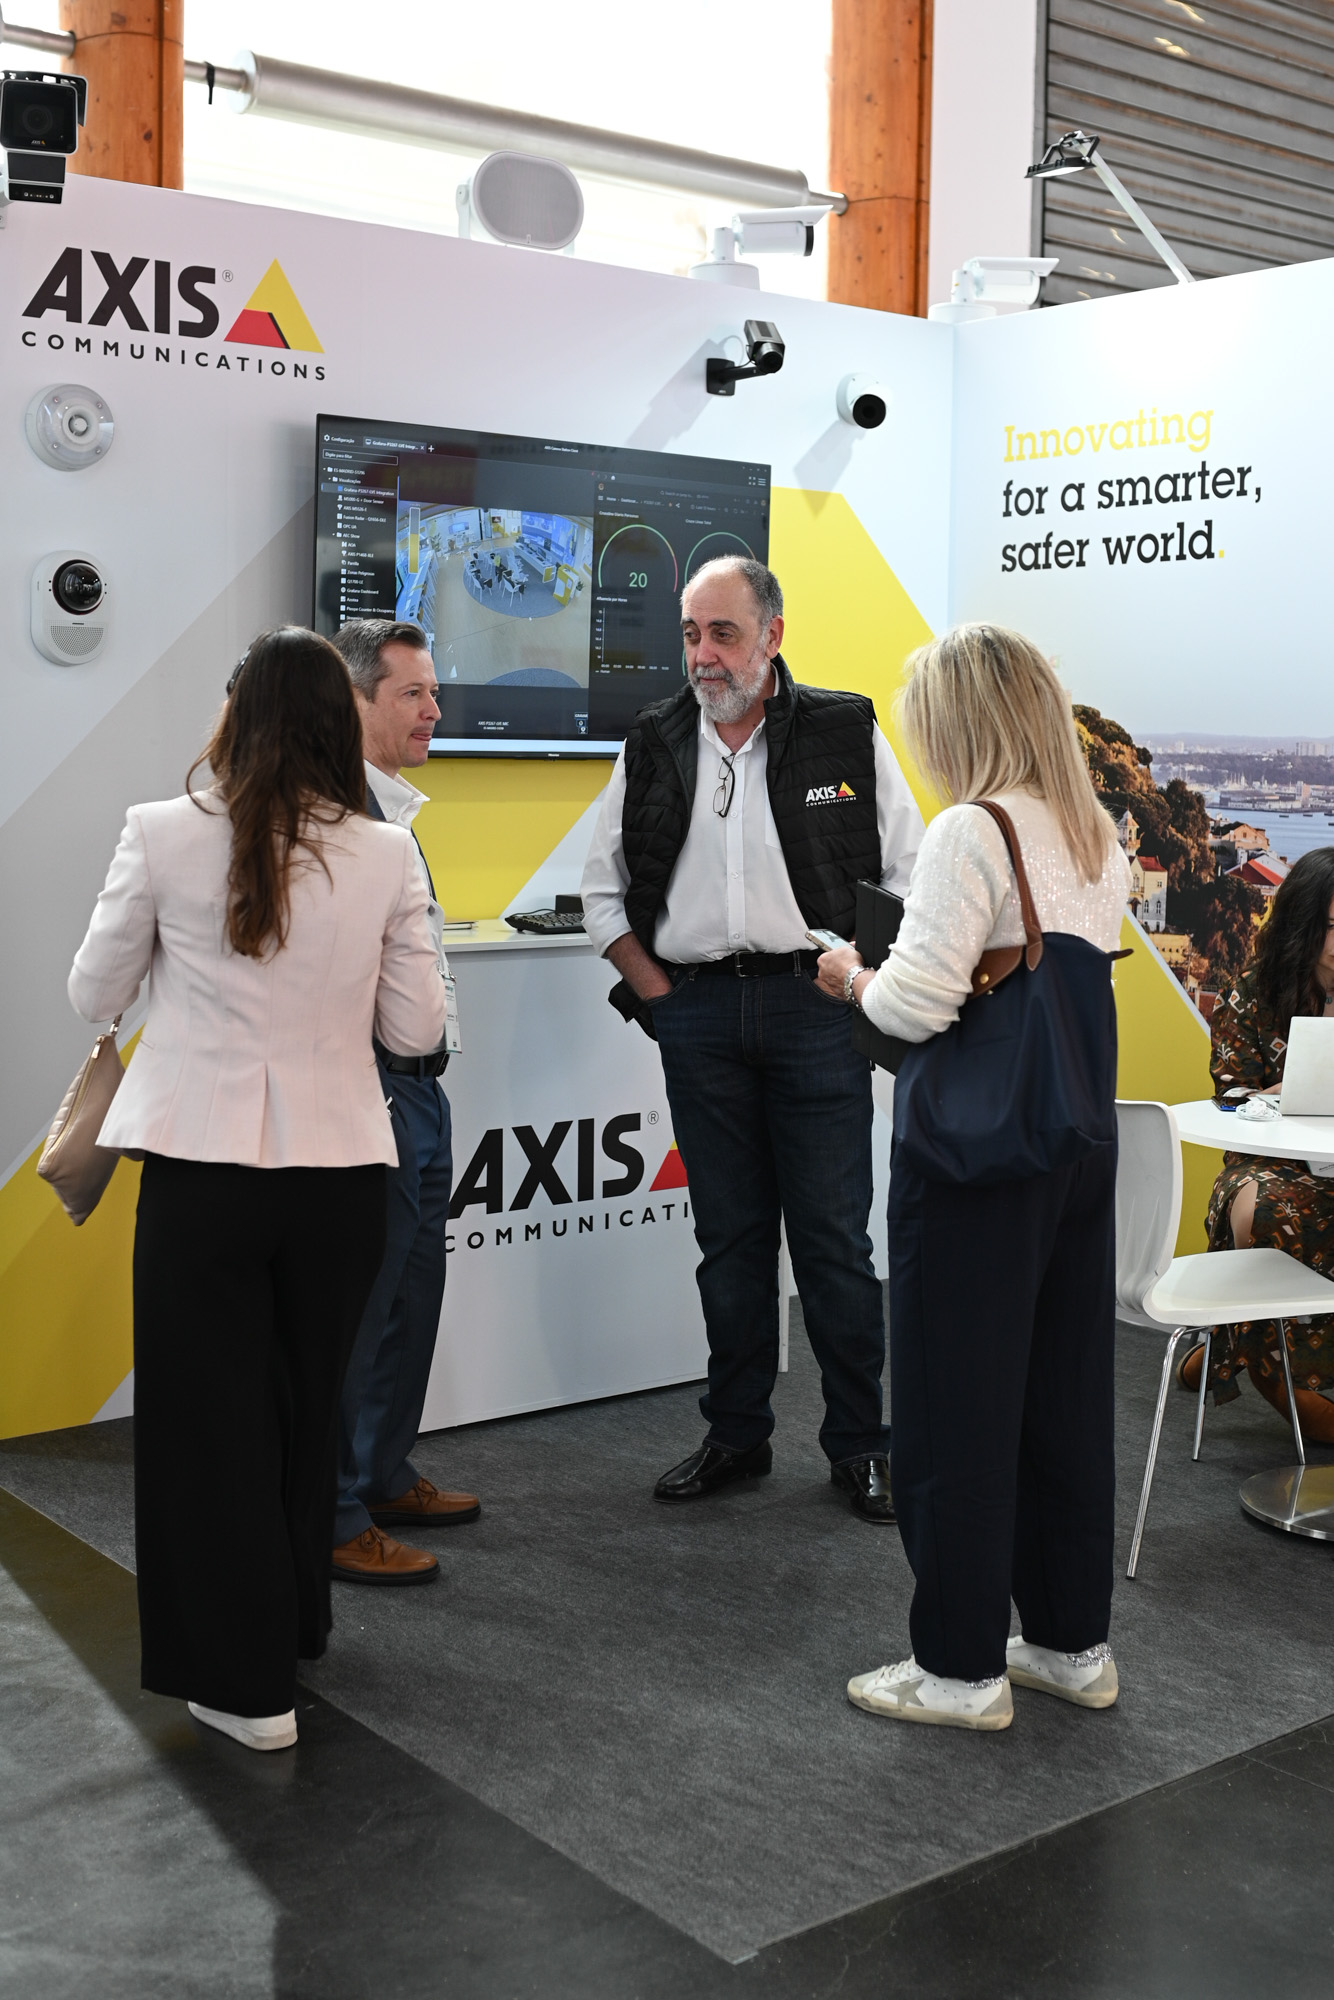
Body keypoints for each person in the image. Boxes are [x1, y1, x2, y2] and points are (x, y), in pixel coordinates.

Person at [68, 628, 446, 1753]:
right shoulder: (386, 853)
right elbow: (414, 1031)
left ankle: (244, 1686)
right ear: (339, 721)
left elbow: (93, 990)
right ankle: (292, 1628)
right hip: (342, 1176)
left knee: (208, 1427)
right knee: (303, 1408)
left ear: (235, 718)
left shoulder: (160, 830)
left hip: (203, 1172)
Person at [818, 623, 1130, 1730]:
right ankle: (1070, 1645)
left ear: (962, 721)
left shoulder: (972, 829)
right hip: (1074, 1144)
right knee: (1062, 1402)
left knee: (952, 1410)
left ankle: (957, 1670)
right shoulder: (1095, 833)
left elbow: (915, 1005)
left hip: (971, 1159)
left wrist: (849, 973)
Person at [580, 557, 924, 1520]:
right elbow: (600, 893)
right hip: (697, 1013)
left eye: (723, 634)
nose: (703, 655)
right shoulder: (654, 740)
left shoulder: (844, 729)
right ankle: (736, 1435)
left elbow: (910, 874)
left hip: (817, 1012)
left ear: (772, 635)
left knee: (832, 1242)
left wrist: (857, 978)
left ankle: (861, 1445)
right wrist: (663, 1001)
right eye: (691, 634)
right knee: (727, 1242)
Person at [329, 619, 480, 1585]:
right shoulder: (337, 816)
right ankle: (336, 1511)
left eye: (433, 691)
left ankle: (382, 1471)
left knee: (412, 1297)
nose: (434, 711)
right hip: (369, 1088)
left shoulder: (395, 810)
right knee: (364, 1310)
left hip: (421, 1088)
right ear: (356, 703)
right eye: (413, 695)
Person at [1188, 848, 1334, 1444]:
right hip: (1268, 1162)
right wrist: (1281, 1093)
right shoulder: (1251, 994)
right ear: (1303, 925)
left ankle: (1225, 1342)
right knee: (1259, 1210)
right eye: (1331, 926)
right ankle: (1284, 1387)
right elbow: (1229, 1098)